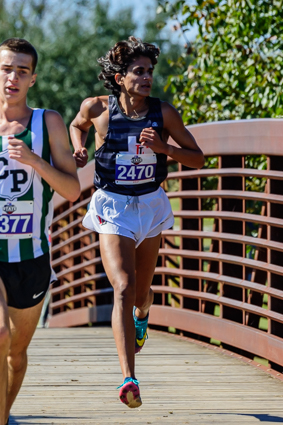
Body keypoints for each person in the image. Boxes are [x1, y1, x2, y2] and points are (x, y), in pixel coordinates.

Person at [70, 36, 204, 409]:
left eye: (150, 71)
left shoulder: (164, 113)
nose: (146, 78)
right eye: (138, 71)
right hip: (112, 205)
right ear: (118, 77)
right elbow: (76, 125)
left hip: (151, 204)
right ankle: (129, 378)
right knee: (124, 287)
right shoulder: (97, 108)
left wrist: (165, 150)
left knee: (141, 293)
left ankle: (143, 315)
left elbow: (199, 159)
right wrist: (80, 147)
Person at [0, 38, 80, 425]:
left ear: (32, 78)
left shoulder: (47, 123)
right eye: (5, 68)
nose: (12, 77)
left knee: (15, 352)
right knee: (0, 337)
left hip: (31, 257)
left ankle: (4, 411)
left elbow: (72, 188)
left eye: (21, 70)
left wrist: (34, 159)